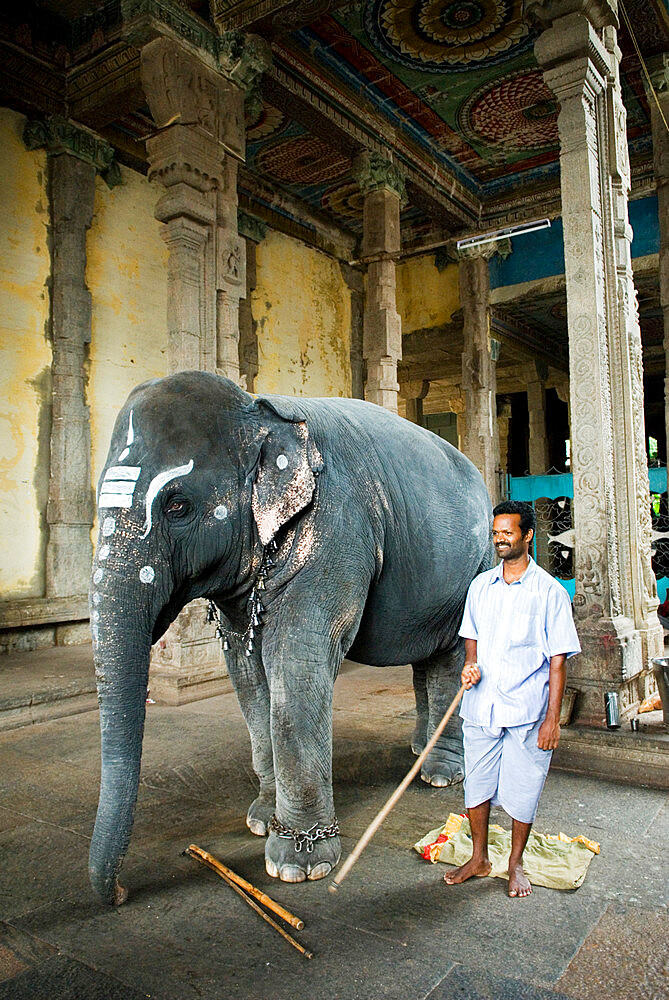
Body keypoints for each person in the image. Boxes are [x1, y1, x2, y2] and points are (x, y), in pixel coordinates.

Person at [444, 499, 580, 898]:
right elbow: (472, 636)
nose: (500, 539)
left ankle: (515, 863)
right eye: (497, 532)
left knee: (523, 791)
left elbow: (557, 663)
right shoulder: (480, 587)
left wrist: (552, 720)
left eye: (508, 532)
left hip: (526, 712)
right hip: (482, 707)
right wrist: (470, 664)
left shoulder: (549, 593)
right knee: (477, 786)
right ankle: (480, 857)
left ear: (528, 536)